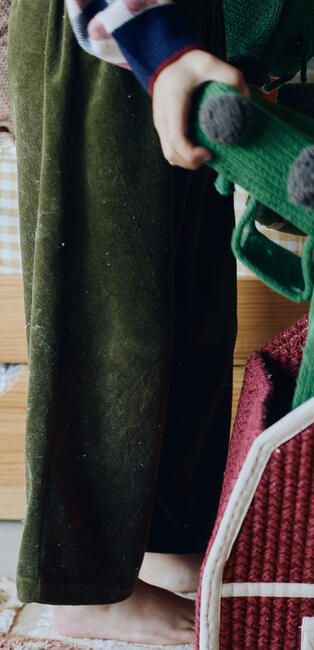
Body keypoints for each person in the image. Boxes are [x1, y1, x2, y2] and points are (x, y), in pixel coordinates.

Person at [8, 0, 246, 643]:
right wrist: (153, 39)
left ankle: (170, 539)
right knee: (110, 318)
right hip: (102, 41)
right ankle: (85, 585)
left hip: (183, 25)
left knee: (193, 304)